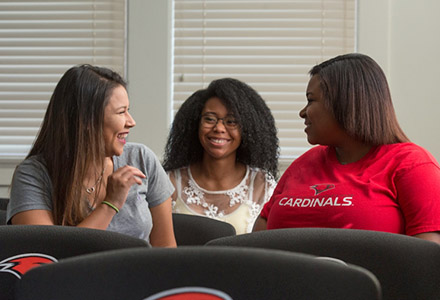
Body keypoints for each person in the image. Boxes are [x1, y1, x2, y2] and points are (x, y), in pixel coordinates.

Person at [253, 53, 440, 244]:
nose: (302, 112)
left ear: (345, 102)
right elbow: (258, 239)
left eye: (311, 100)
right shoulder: (304, 162)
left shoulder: (413, 164)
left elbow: (426, 260)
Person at [7, 64, 176, 247]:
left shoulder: (142, 159)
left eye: (129, 110)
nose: (131, 122)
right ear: (87, 120)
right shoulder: (33, 175)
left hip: (139, 275)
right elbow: (48, 255)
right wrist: (110, 204)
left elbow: (166, 250)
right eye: (121, 112)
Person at [163, 78, 279, 234]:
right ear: (195, 124)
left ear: (247, 128)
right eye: (210, 119)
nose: (219, 128)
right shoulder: (169, 183)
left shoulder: (262, 186)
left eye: (231, 121)